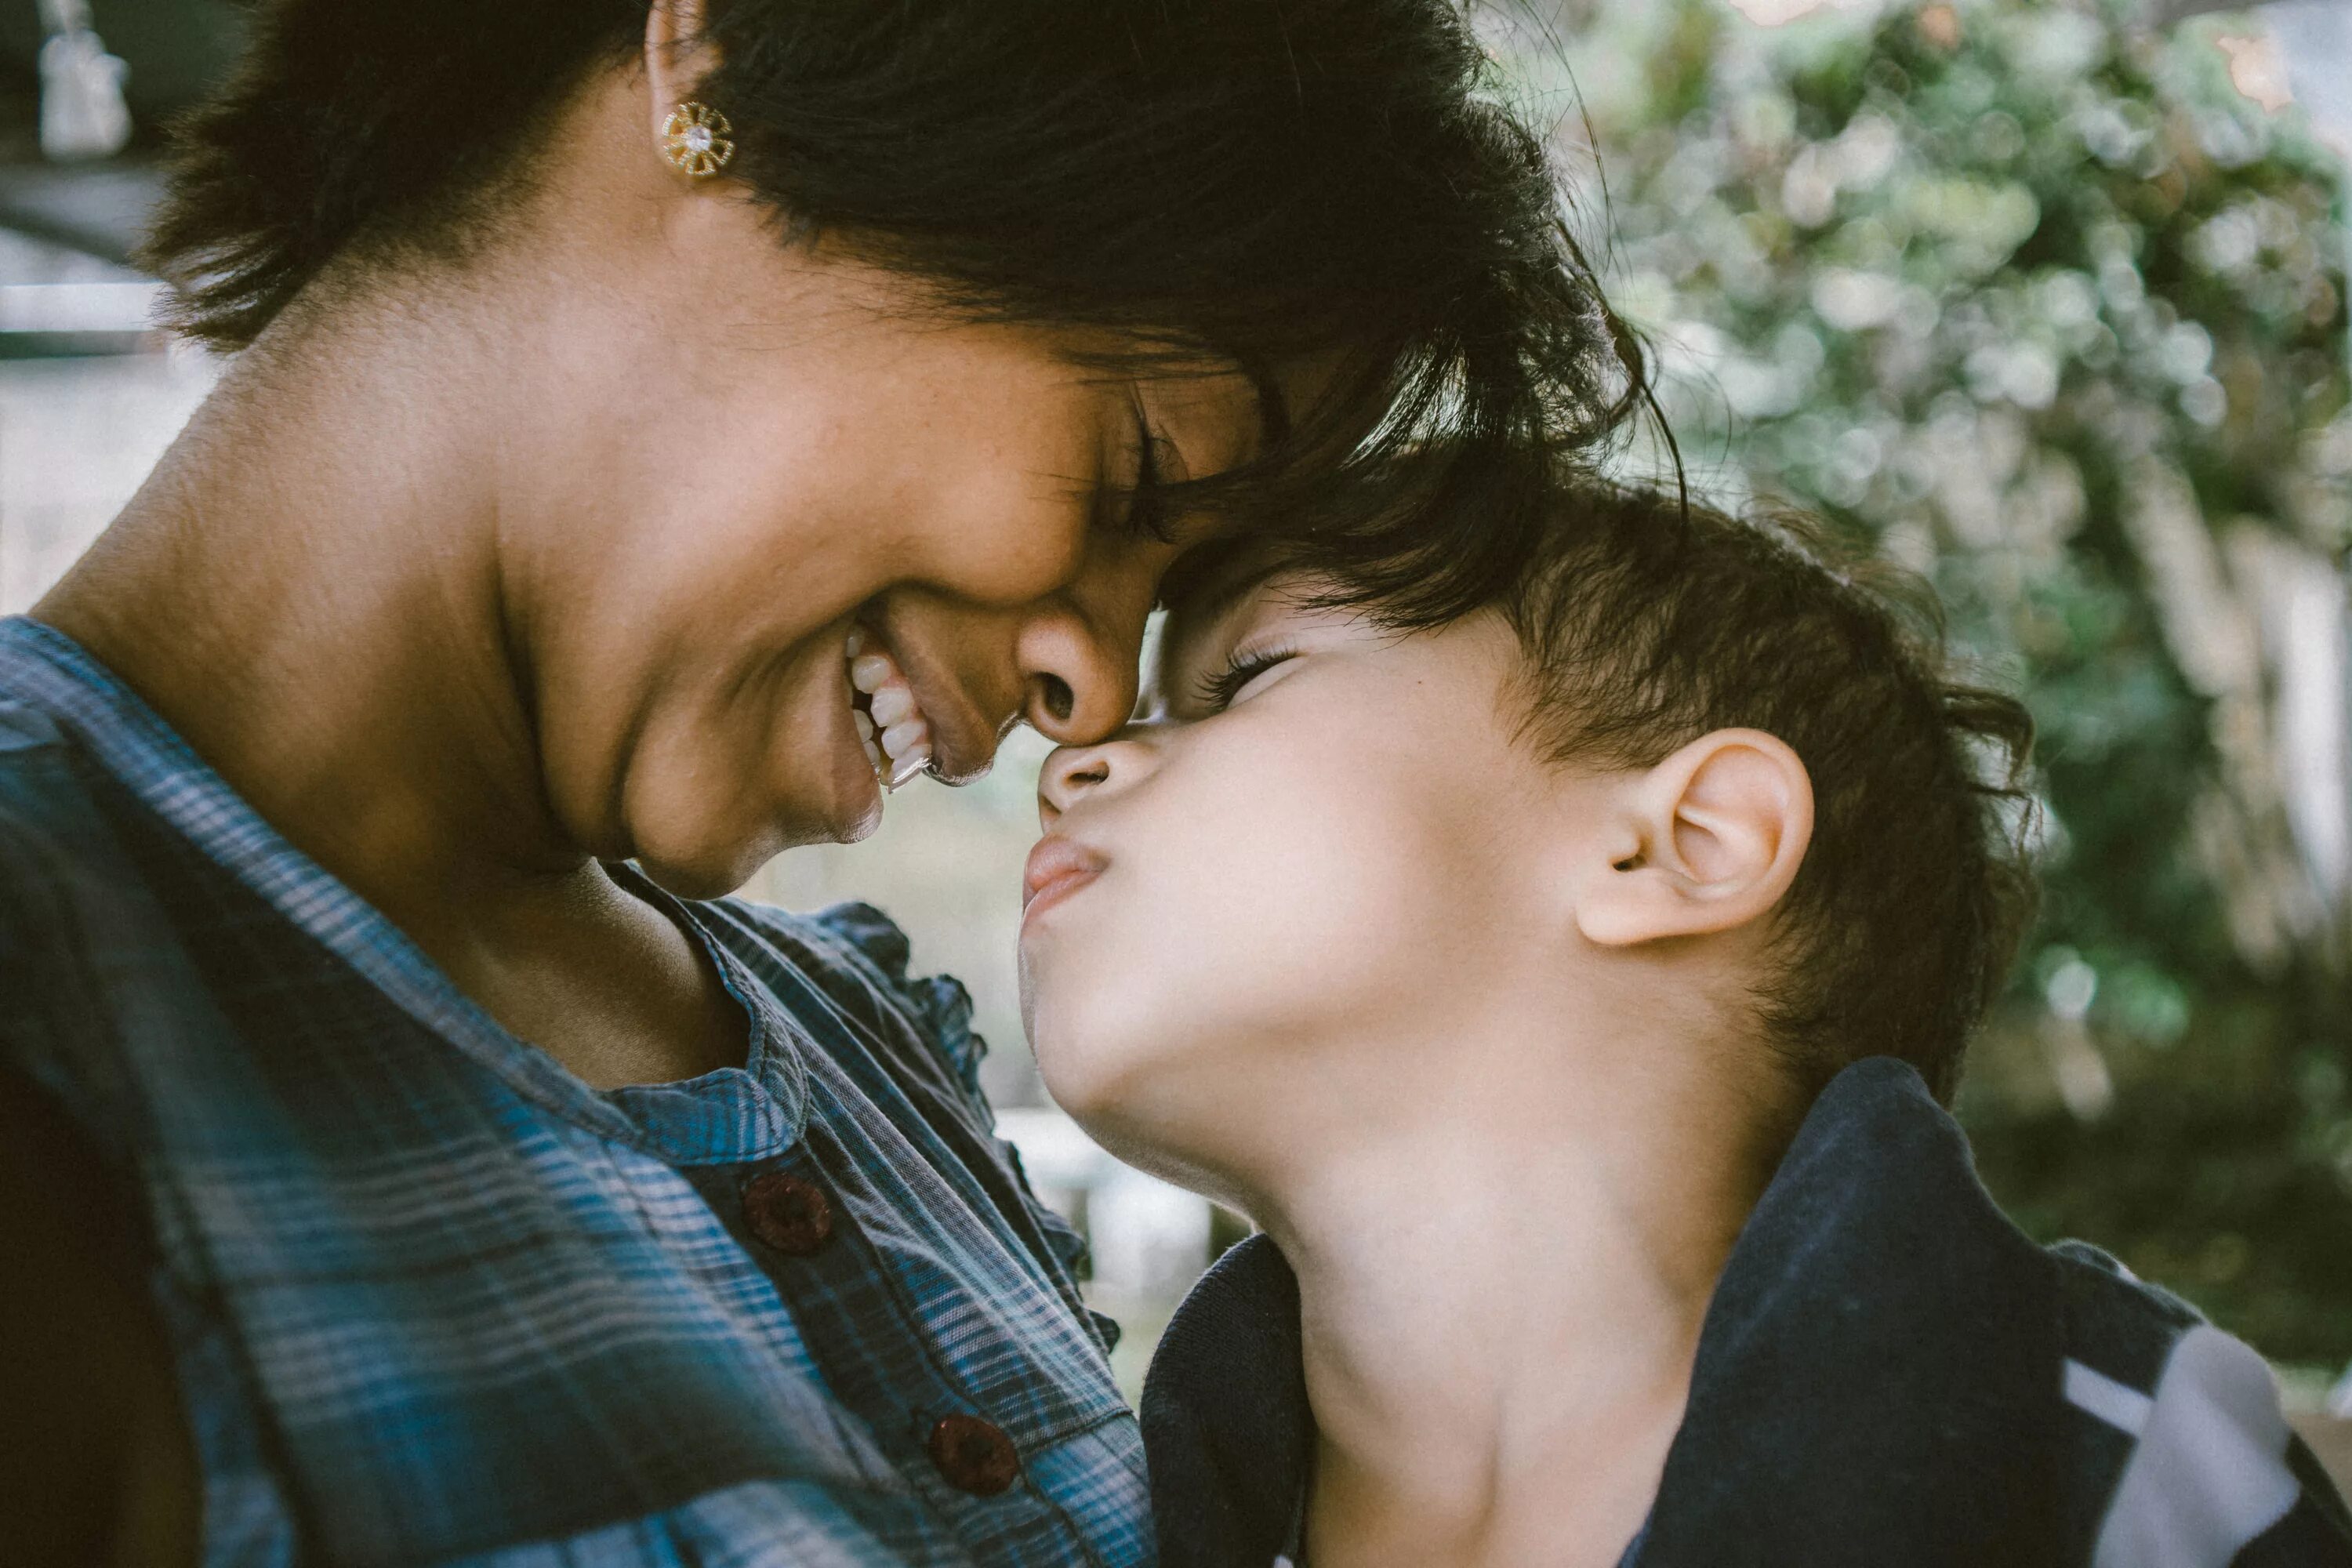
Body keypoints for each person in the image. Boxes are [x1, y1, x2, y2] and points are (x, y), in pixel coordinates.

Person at [0, 2, 1641, 1562]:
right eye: (1137, 469)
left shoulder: (873, 1069)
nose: (1090, 691)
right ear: (721, 68)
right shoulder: (54, 979)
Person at [1018, 476, 2352, 1568]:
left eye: (1247, 676)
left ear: (1685, 844)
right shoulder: (1059, 1523)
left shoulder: (2127, 1473)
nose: (1073, 759)